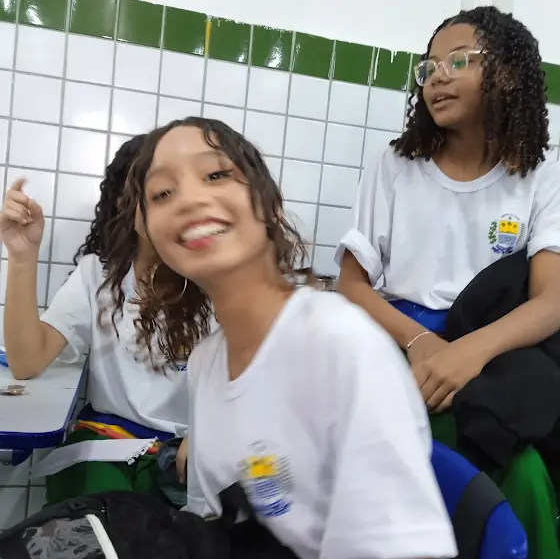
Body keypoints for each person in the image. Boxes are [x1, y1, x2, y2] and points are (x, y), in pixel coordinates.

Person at [121, 115, 457, 559]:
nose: (189, 199)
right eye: (163, 193)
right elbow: (209, 523)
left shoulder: (338, 343)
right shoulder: (206, 363)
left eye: (216, 174)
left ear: (270, 205)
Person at [336, 6, 560, 557]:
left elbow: (551, 301)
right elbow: (351, 286)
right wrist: (421, 343)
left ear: (506, 72)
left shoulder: (542, 172)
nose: (436, 77)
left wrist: (469, 353)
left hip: (495, 353)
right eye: (429, 67)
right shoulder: (395, 164)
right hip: (402, 340)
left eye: (458, 61)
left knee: (524, 471)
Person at [0, 135, 210, 505]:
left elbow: (246, 377)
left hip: (185, 456)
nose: (170, 205)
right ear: (126, 203)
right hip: (105, 445)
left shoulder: (214, 283)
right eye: (156, 192)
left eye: (175, 192)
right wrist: (22, 255)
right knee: (103, 524)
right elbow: (26, 361)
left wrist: (209, 433)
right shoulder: (98, 275)